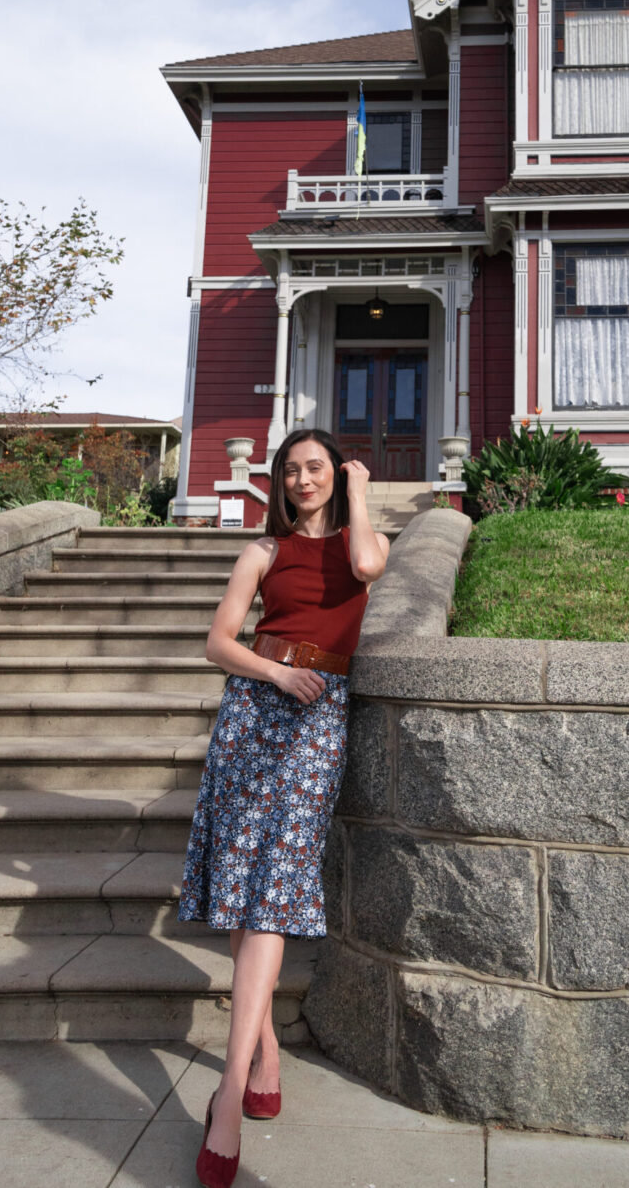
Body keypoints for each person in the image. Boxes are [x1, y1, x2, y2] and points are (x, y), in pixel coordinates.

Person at [179, 428, 389, 1188]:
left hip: (318, 718)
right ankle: (265, 1055)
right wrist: (270, 673)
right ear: (279, 480)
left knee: (271, 886)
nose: (304, 479)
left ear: (335, 472)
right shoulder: (262, 553)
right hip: (253, 711)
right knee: (244, 882)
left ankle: (228, 1095)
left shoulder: (363, 539)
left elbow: (365, 566)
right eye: (292, 470)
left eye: (317, 467)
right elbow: (216, 642)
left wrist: (360, 491)